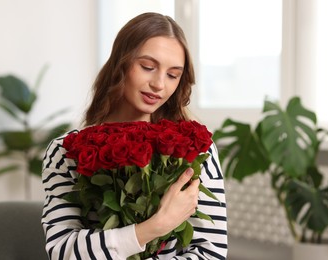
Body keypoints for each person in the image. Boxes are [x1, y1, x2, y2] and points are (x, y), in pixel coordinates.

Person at [41, 12, 227, 259]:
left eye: (173, 75)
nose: (160, 84)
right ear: (121, 63)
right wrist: (153, 228)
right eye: (148, 67)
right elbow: (62, 251)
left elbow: (210, 252)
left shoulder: (197, 149)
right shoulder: (67, 151)